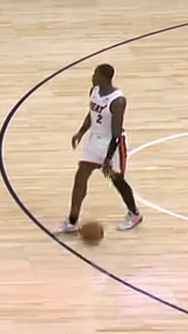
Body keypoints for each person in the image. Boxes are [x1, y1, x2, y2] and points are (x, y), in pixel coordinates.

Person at [56, 64, 143, 234]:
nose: (92, 77)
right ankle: (72, 221)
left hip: (113, 144)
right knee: (80, 177)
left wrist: (108, 159)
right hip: (95, 141)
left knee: (116, 180)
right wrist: (81, 132)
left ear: (104, 77)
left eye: (95, 74)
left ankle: (134, 214)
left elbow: (116, 133)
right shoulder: (94, 91)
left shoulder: (118, 101)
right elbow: (92, 114)